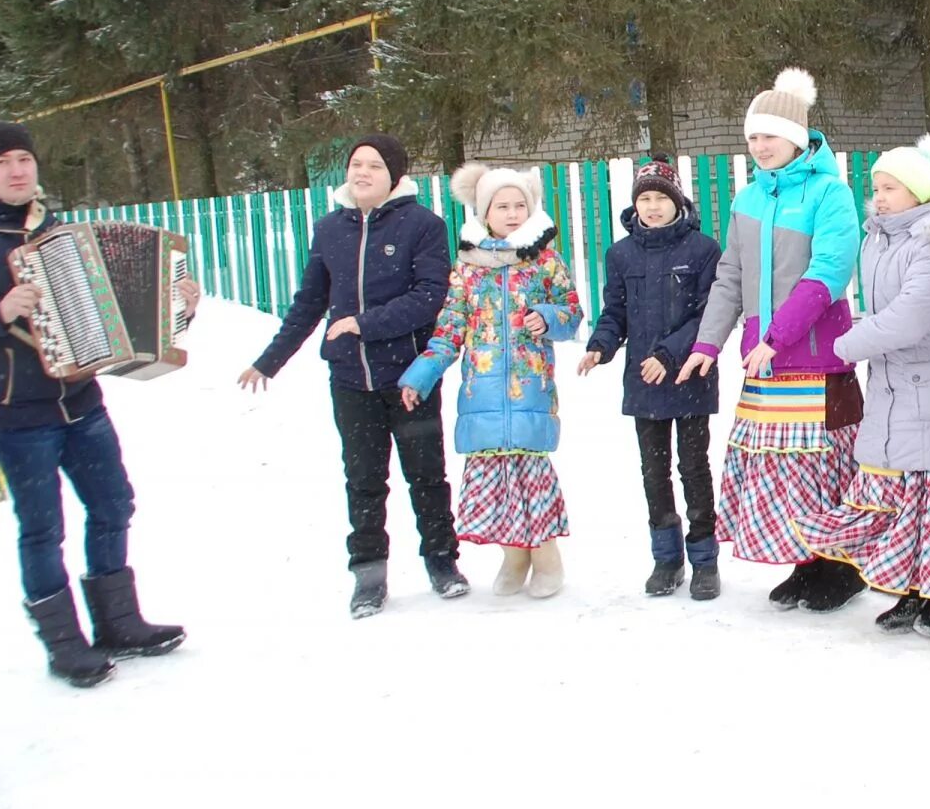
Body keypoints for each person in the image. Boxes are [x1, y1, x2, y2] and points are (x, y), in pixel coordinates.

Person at [0, 121, 193, 686]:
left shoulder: (57, 232)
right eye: (2, 162)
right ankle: (64, 643)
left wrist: (175, 306)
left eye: (24, 159)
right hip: (13, 409)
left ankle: (120, 622)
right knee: (43, 527)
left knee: (113, 505)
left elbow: (111, 316)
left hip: (80, 398)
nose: (17, 170)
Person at [240, 134, 468, 617]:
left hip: (409, 378)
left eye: (373, 165)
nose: (361, 172)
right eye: (355, 164)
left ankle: (442, 562)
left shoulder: (423, 225)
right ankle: (369, 574)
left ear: (394, 175)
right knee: (364, 479)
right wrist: (270, 360)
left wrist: (365, 324)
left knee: (426, 475)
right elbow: (309, 303)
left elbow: (431, 295)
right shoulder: (329, 230)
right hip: (350, 381)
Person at [676, 69, 866, 613]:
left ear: (798, 137)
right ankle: (805, 564)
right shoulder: (747, 200)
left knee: (824, 468)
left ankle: (841, 566)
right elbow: (730, 276)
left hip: (816, 358)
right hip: (765, 360)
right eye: (753, 137)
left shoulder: (831, 194)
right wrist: (706, 345)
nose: (759, 147)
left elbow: (828, 273)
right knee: (781, 471)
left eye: (769, 136)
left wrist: (778, 336)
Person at [792, 132, 930, 637]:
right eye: (876, 186)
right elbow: (882, 312)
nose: (878, 196)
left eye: (891, 188)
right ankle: (910, 588)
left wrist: (843, 345)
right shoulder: (879, 237)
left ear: (920, 193)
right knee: (906, 502)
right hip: (892, 385)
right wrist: (862, 333)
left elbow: (910, 317)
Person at [400, 164, 581, 598]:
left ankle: (546, 557)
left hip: (529, 389)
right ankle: (513, 555)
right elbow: (449, 327)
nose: (513, 213)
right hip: (480, 391)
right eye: (503, 206)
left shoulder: (545, 260)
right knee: (494, 482)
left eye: (520, 204)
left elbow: (572, 311)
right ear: (484, 212)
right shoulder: (467, 268)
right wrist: (421, 374)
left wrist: (550, 318)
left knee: (531, 477)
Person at [580, 155, 723, 600]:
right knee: (653, 472)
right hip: (643, 382)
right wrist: (600, 345)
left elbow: (708, 316)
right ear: (635, 204)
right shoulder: (621, 254)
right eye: (646, 198)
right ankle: (666, 559)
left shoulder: (702, 250)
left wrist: (668, 352)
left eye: (662, 197)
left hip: (689, 376)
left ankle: (704, 562)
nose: (654, 206)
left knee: (694, 469)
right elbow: (615, 312)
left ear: (677, 201)